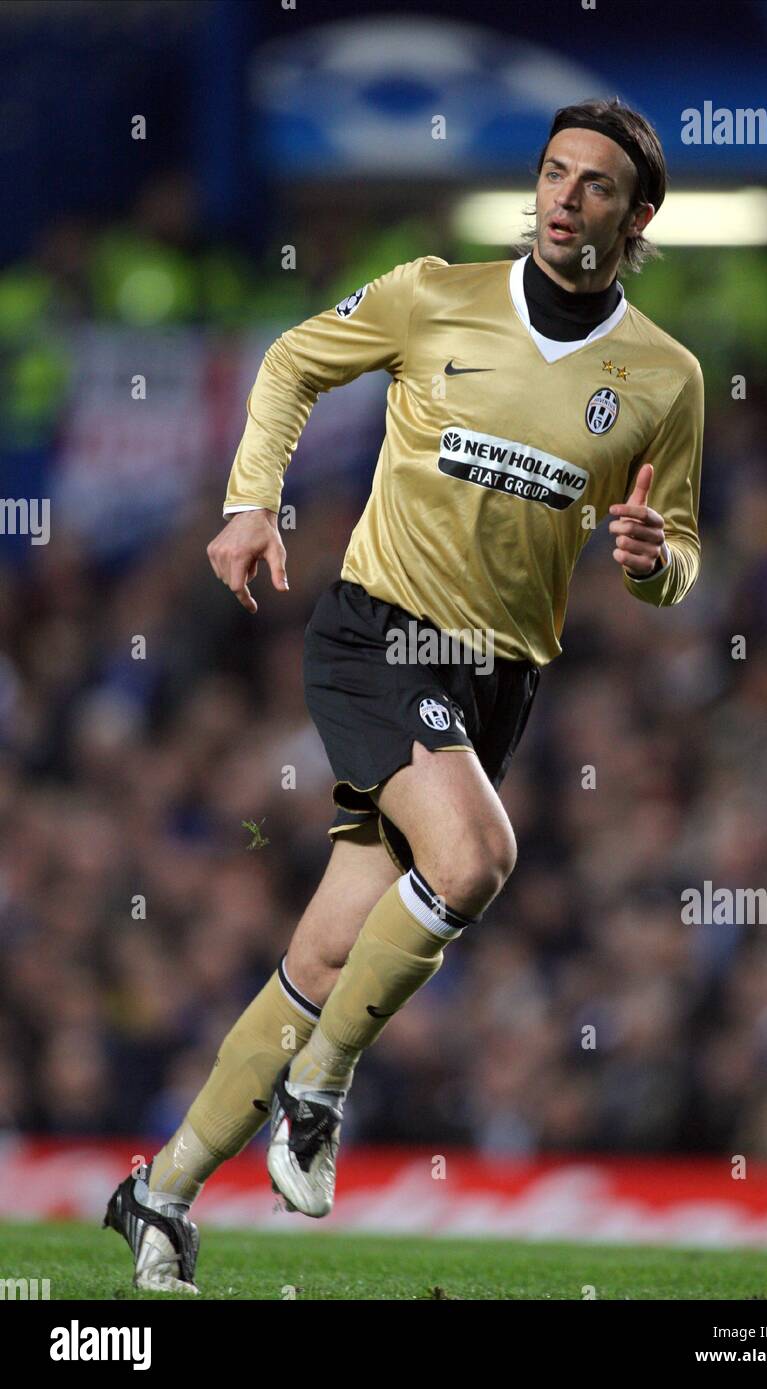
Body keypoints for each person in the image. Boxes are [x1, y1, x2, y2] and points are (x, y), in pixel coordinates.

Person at [104, 97, 703, 1292]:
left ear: (634, 218)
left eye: (591, 186)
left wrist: (651, 563)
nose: (561, 200)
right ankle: (320, 1093)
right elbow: (289, 363)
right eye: (551, 174)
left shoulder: (664, 379)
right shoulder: (434, 292)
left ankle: (158, 1193)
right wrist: (250, 501)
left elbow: (674, 554)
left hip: (499, 684)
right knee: (476, 858)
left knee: (329, 952)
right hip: (381, 630)